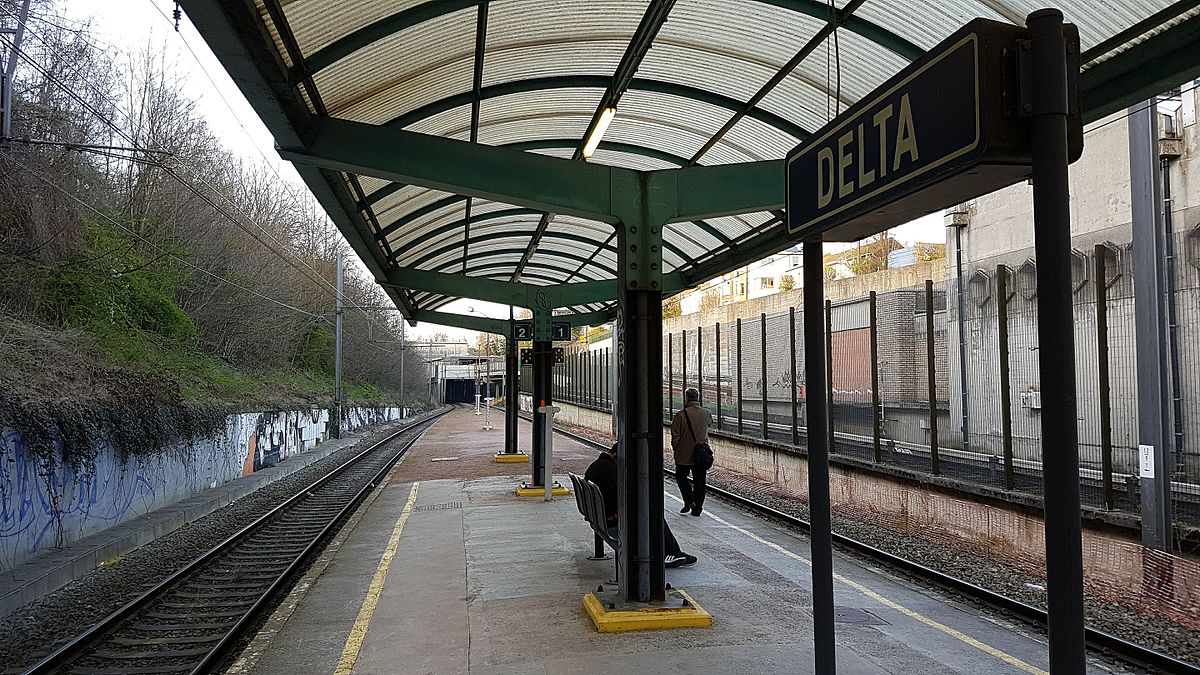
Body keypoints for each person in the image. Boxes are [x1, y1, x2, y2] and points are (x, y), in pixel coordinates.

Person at [585, 443, 697, 568]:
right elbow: (620, 498)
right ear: (616, 455)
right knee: (653, 514)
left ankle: (674, 552)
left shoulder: (600, 466)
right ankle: (670, 553)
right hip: (612, 520)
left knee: (650, 511)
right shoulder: (608, 469)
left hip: (601, 517)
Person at [670, 387, 710, 516]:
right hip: (701, 454)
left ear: (686, 398)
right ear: (698, 398)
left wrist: (677, 448)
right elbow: (709, 425)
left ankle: (689, 500)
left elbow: (675, 436)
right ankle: (697, 508)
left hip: (684, 454)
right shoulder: (706, 413)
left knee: (681, 478)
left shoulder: (681, 415)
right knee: (700, 481)